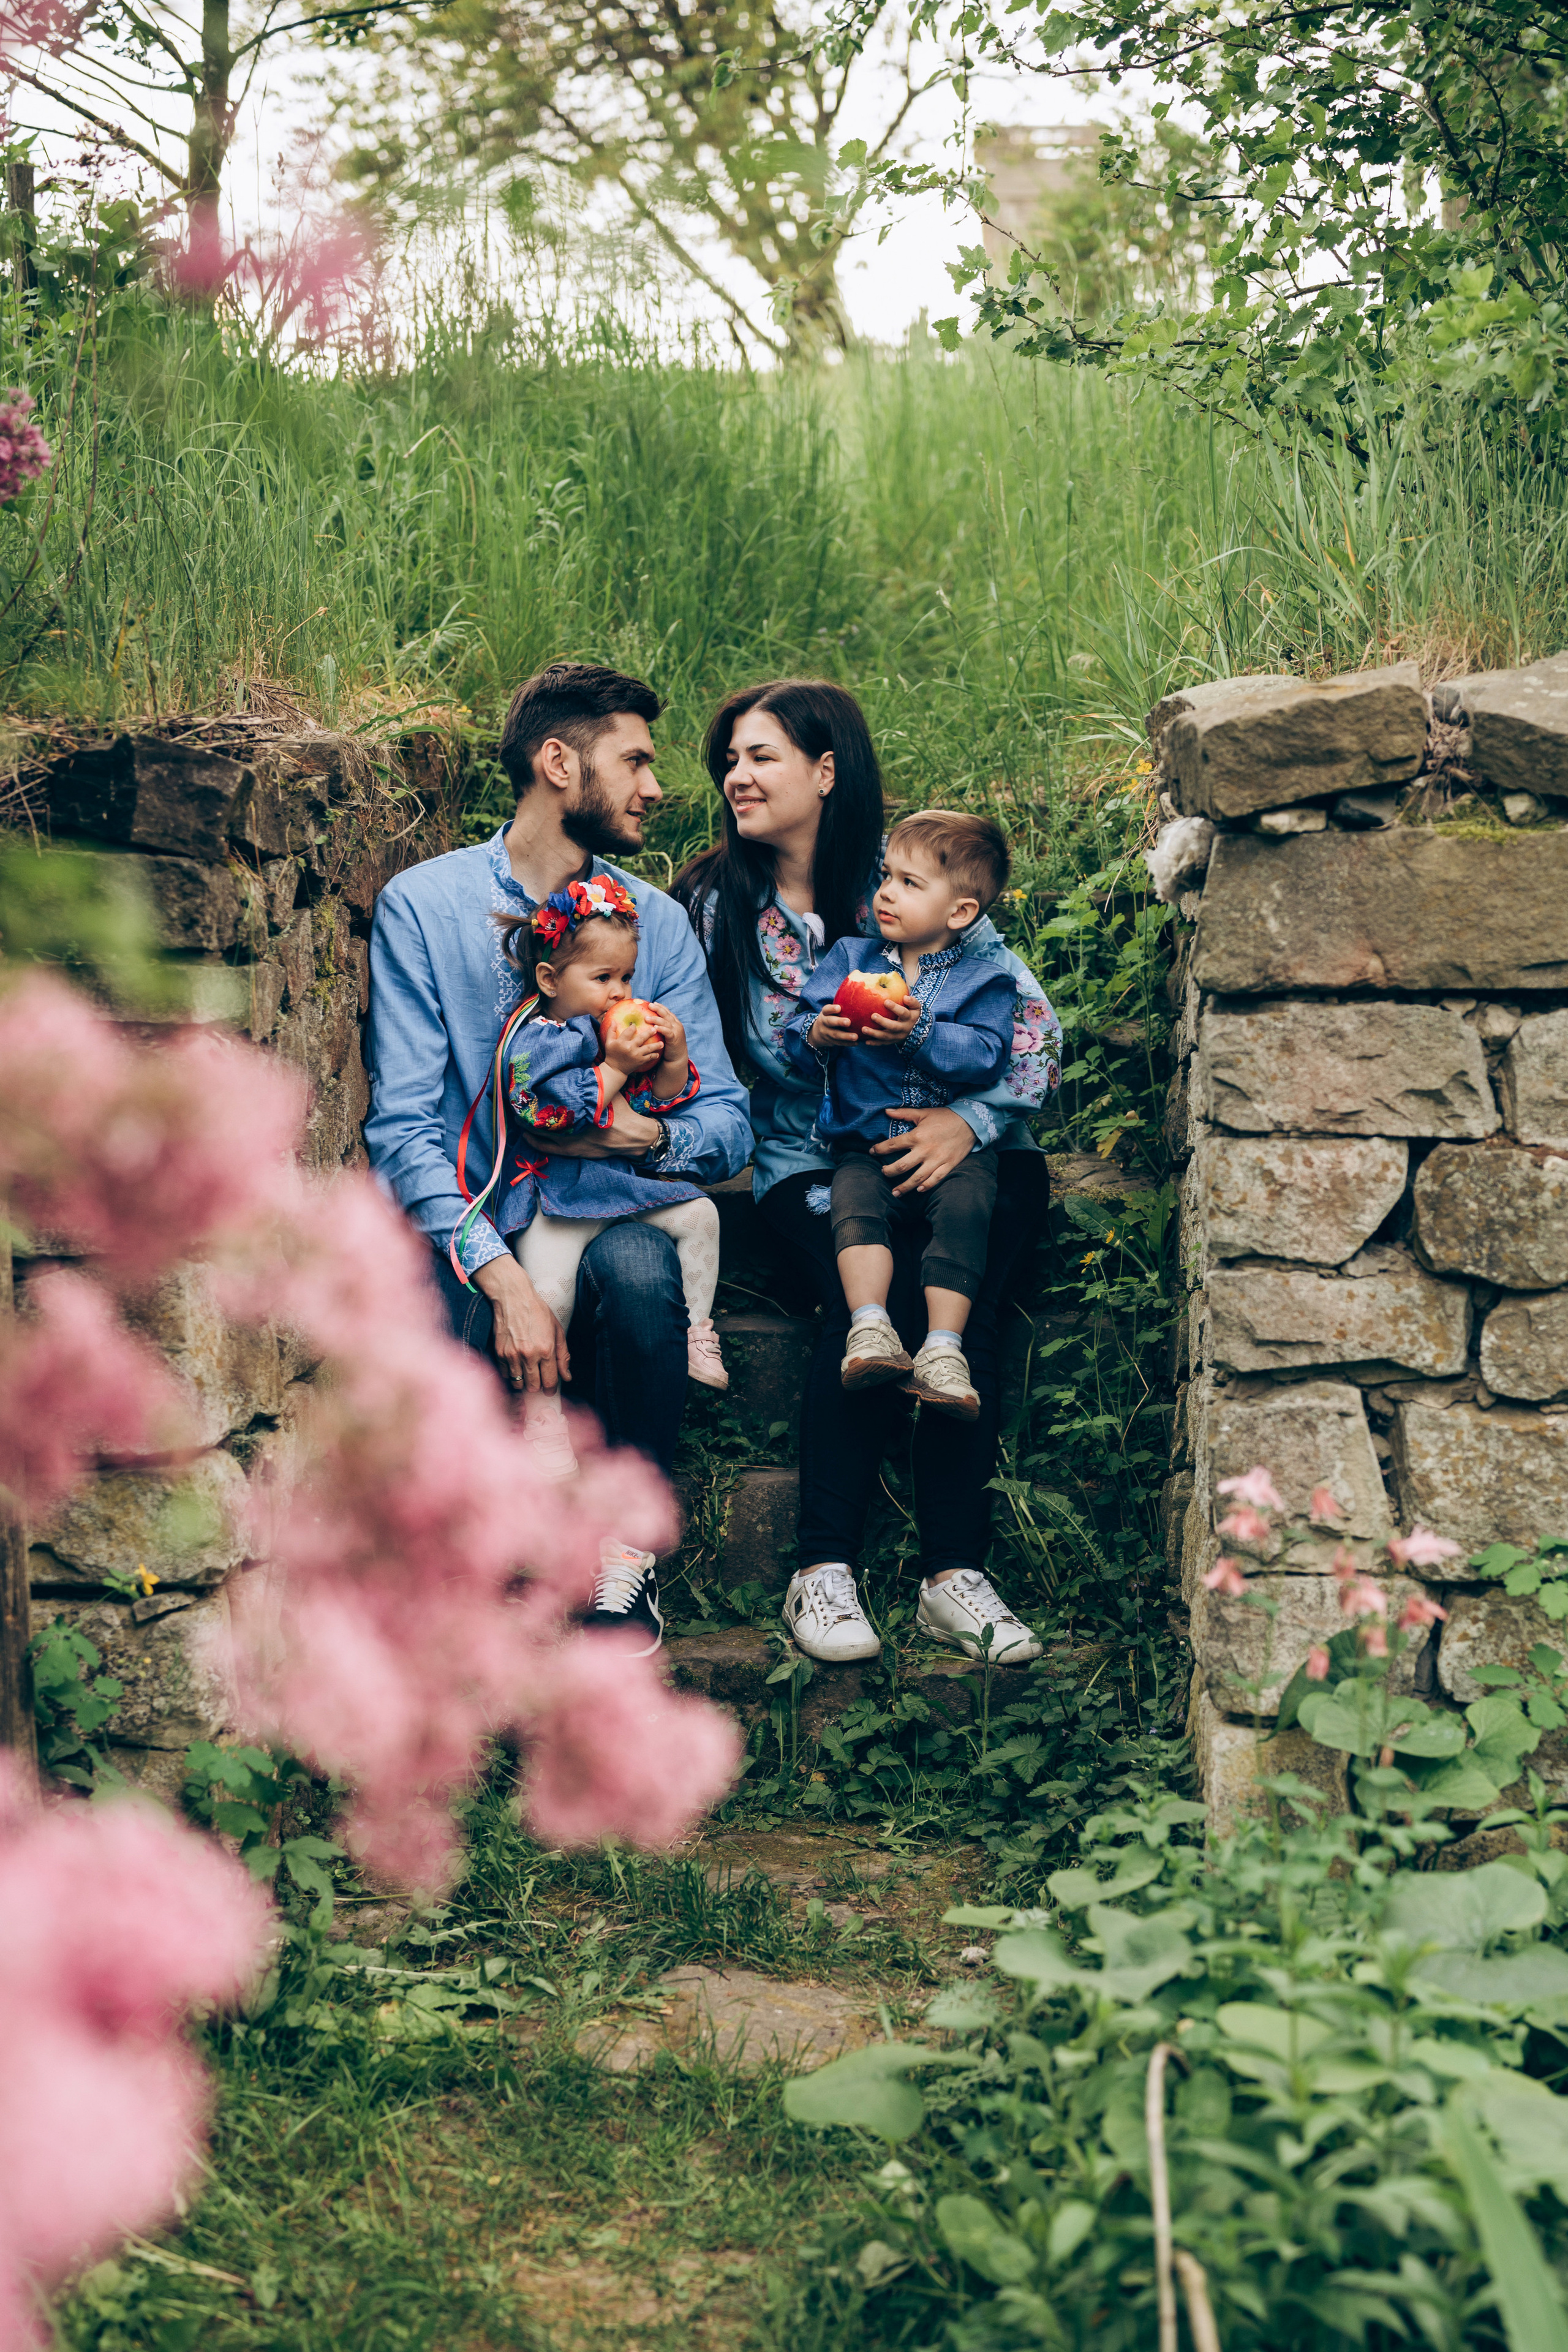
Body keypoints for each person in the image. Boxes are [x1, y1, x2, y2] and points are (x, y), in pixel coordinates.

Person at [671, 680, 1062, 1668]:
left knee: (968, 1275)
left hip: (949, 1148)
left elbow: (1032, 1033)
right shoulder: (719, 899)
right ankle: (824, 1568)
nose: (737, 776)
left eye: (761, 756)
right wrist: (821, 1037)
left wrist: (965, 1126)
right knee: (862, 1309)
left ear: (825, 770)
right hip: (813, 1156)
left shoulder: (904, 882)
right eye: (730, 760)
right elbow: (749, 1055)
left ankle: (951, 1577)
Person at [366, 662, 752, 1649]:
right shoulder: (426, 906)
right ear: (556, 762)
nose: (656, 787)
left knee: (638, 1273)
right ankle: (469, 1582)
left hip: (608, 1207)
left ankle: (625, 1568)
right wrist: (502, 1280)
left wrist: (641, 1132)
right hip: (480, 1214)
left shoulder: (653, 926)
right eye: (634, 761)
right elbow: (404, 1127)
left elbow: (728, 1126)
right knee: (442, 1302)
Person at [465, 872, 728, 1476]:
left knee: (701, 1214)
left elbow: (662, 1102)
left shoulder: (617, 1027)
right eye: (603, 978)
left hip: (614, 1187)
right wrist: (612, 1068)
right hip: (555, 1194)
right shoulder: (538, 1038)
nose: (619, 992)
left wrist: (675, 1055)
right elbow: (541, 1111)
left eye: (627, 977)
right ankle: (543, 1415)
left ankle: (695, 1330)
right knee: (549, 1297)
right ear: (551, 979)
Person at [781, 810, 1016, 1422]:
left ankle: (943, 1349)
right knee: (852, 1204)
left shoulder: (984, 980)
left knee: (966, 1213)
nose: (886, 891)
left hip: (954, 1154)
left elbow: (989, 1057)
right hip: (862, 1145)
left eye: (910, 883)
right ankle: (870, 1328)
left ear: (959, 912)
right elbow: (794, 1036)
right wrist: (822, 1032)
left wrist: (920, 1033)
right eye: (887, 876)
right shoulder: (849, 958)